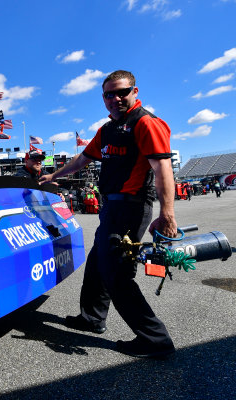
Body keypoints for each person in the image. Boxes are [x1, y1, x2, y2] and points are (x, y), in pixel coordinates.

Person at [40, 70, 177, 358]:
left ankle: (155, 339)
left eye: (122, 92)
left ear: (135, 92)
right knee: (97, 261)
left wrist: (168, 213)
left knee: (116, 273)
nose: (115, 99)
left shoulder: (146, 123)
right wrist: (55, 174)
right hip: (111, 207)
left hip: (132, 206)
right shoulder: (108, 129)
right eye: (108, 94)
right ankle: (92, 318)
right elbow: (82, 159)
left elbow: (162, 168)